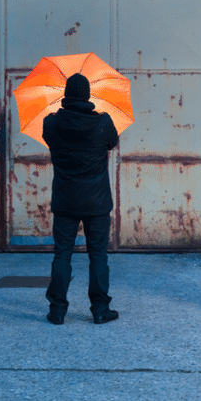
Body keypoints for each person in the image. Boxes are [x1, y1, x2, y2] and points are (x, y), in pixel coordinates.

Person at [42, 73, 120, 325]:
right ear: (87, 95)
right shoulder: (103, 123)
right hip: (97, 202)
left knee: (62, 255)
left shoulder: (51, 123)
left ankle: (57, 311)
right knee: (98, 255)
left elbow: (49, 138)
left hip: (65, 201)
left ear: (66, 94)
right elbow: (113, 142)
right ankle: (100, 310)